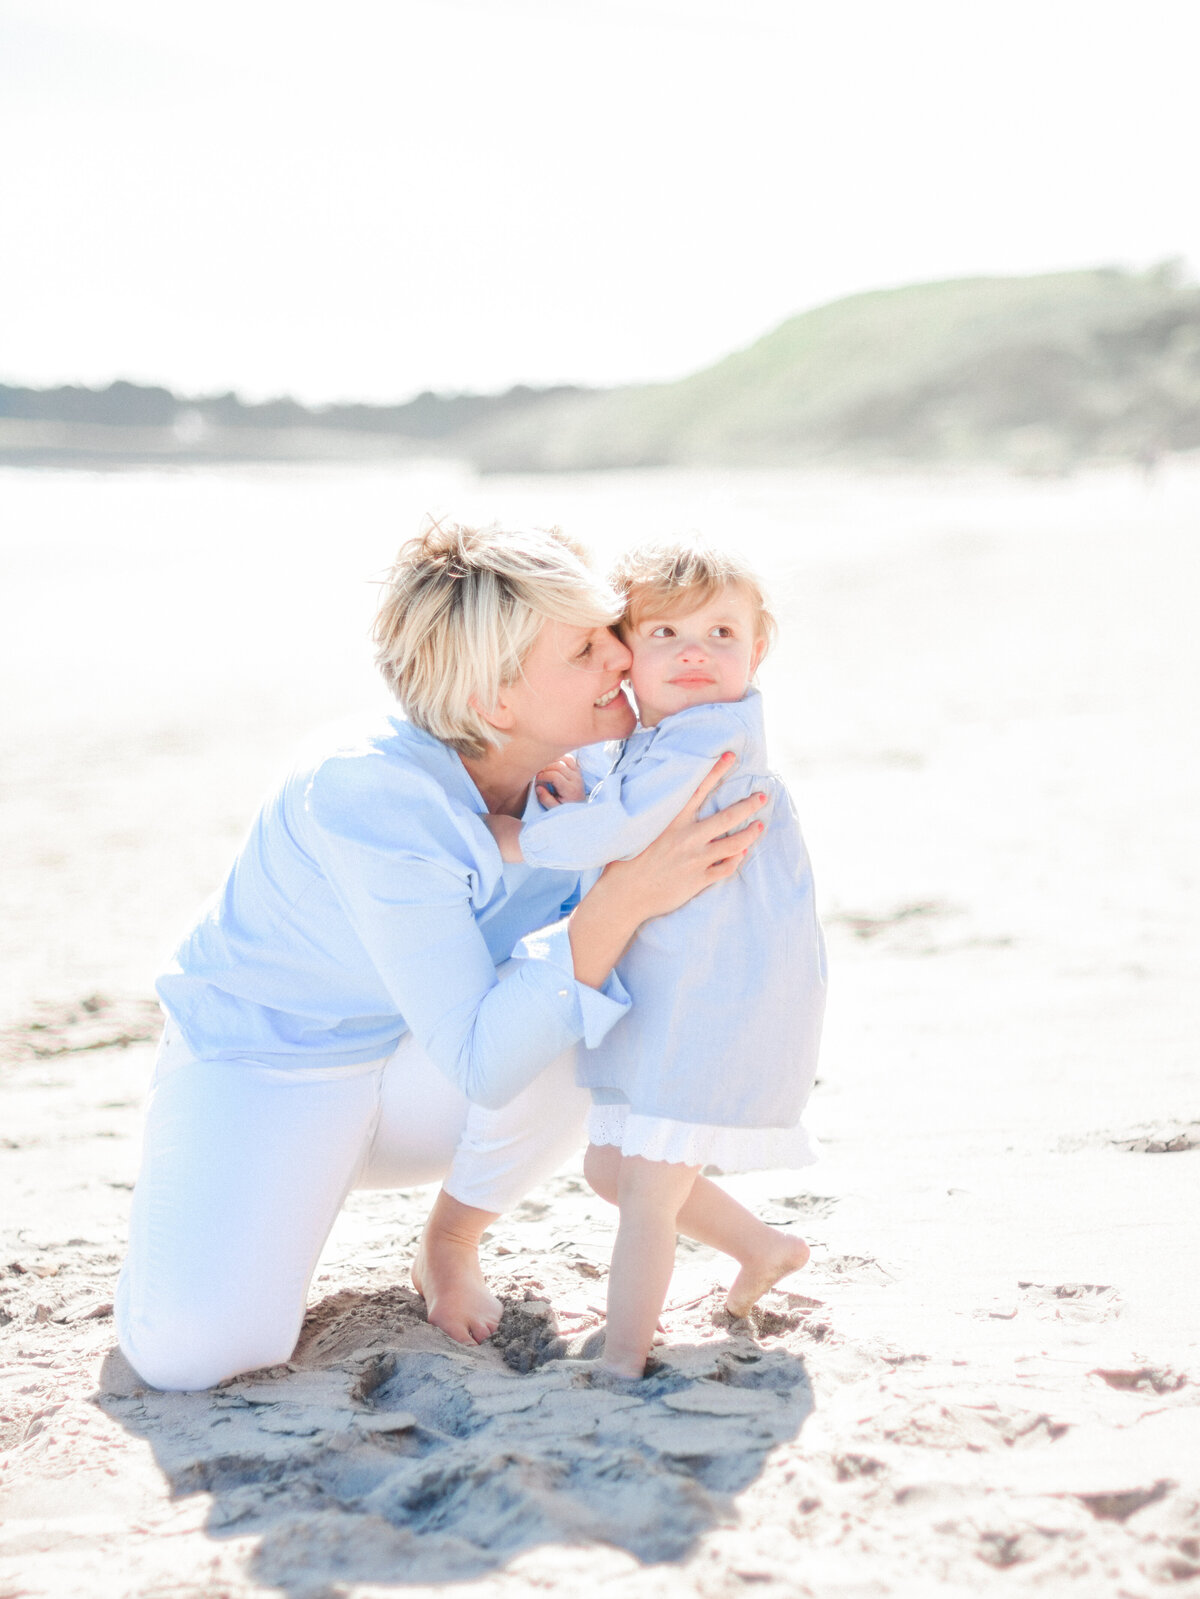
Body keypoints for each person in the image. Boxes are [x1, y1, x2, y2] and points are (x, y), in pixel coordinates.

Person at [115, 522, 767, 1392]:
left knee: (613, 995)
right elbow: (481, 1058)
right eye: (583, 646)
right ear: (498, 700)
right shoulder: (366, 792)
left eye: (608, 628)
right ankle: (231, 1177)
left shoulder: (601, 761)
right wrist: (624, 893)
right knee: (195, 1353)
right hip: (268, 1066)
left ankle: (449, 1239)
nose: (620, 653)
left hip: (418, 1077)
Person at [486, 541, 826, 1379]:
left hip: (712, 993)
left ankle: (625, 1354)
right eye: (667, 631)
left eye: (721, 632)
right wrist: (586, 791)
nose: (695, 651)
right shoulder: (673, 734)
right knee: (611, 1164)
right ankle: (763, 1245)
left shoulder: (703, 737)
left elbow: (622, 828)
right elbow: (624, 800)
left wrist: (522, 835)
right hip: (686, 979)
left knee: (645, 1192)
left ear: (757, 649)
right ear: (626, 652)